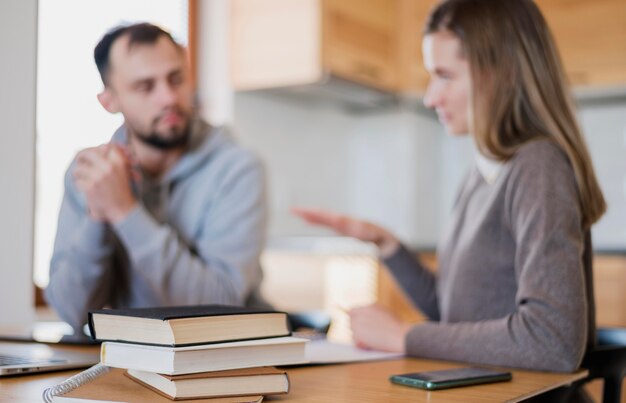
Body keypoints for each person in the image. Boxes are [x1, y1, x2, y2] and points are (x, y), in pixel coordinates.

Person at [294, 0, 606, 379]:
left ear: (499, 75)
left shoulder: (538, 167)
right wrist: (386, 244)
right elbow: (456, 313)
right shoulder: (484, 172)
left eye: (444, 75)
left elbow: (551, 341)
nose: (430, 97)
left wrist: (404, 335)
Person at [45, 23, 268, 333]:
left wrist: (125, 212)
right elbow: (72, 313)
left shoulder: (237, 168)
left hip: (221, 362)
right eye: (145, 86)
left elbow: (222, 305)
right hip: (126, 361)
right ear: (109, 101)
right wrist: (99, 216)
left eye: (176, 79)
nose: (168, 98)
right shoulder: (90, 173)